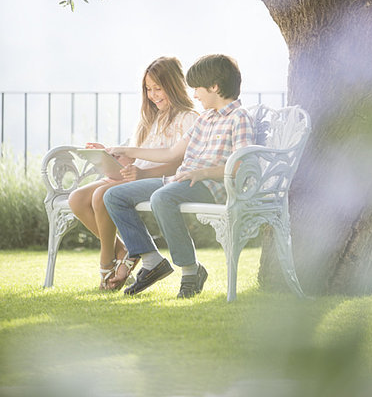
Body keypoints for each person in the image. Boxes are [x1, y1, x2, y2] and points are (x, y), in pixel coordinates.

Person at [104, 54, 255, 299]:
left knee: (162, 199)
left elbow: (241, 165)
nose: (195, 95)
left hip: (208, 185)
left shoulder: (239, 118)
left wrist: (203, 172)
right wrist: (126, 151)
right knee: (114, 196)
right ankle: (151, 259)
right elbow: (171, 152)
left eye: (198, 89)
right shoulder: (205, 119)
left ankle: (189, 271)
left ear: (214, 87)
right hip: (181, 181)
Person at [68, 57, 198, 291]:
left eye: (159, 88)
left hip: (158, 179)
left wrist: (141, 173)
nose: (153, 94)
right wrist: (109, 155)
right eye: (149, 89)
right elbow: (135, 158)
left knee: (101, 196)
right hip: (135, 175)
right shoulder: (149, 119)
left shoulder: (188, 118)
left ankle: (107, 259)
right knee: (76, 199)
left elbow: (178, 164)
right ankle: (124, 249)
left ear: (175, 85)